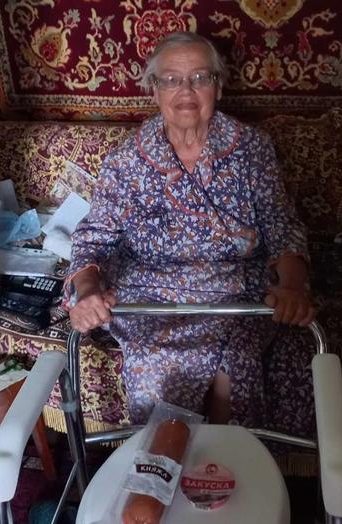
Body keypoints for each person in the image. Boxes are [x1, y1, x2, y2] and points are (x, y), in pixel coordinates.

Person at [64, 31, 313, 427]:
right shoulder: (126, 160)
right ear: (153, 89)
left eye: (200, 78)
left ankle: (226, 478)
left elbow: (282, 226)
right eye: (171, 79)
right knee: (154, 368)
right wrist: (89, 294)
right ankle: (161, 475)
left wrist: (292, 289)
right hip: (151, 296)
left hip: (235, 290)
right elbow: (93, 239)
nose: (186, 90)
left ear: (218, 85)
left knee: (237, 367)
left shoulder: (252, 148)